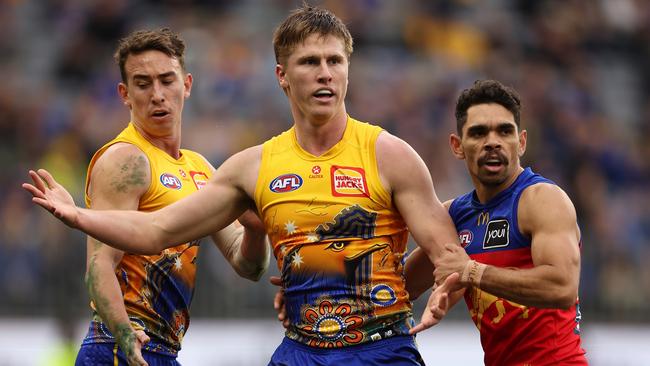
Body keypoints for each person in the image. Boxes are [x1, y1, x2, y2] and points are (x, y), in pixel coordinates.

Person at [23, 6, 460, 366]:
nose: (325, 73)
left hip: (380, 350)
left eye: (335, 61)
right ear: (282, 76)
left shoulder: (390, 154)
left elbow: (447, 254)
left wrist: (444, 282)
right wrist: (79, 216)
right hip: (291, 352)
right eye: (310, 62)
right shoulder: (248, 167)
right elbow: (153, 233)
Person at [63, 28, 270, 366]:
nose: (157, 94)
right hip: (120, 346)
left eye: (167, 80)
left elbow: (248, 266)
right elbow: (98, 265)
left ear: (186, 85)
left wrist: (256, 230)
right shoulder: (126, 160)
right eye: (143, 84)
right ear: (125, 94)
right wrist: (124, 335)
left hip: (163, 351)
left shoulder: (202, 169)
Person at [405, 79, 588, 365]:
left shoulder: (542, 199)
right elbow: (401, 287)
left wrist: (471, 272)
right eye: (478, 133)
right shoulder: (454, 216)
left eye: (504, 131)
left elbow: (561, 287)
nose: (492, 142)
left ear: (522, 141)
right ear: (457, 146)